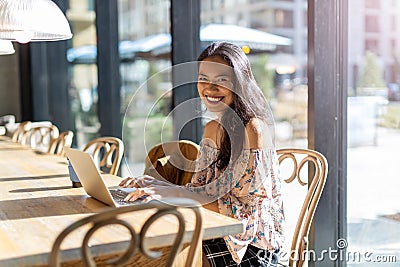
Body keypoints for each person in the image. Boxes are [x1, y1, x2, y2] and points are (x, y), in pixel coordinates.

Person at [119, 42, 285, 266]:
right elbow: (201, 190)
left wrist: (171, 195)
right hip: (215, 230)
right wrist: (157, 186)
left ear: (240, 83)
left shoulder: (253, 129)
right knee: (151, 250)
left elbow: (245, 212)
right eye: (203, 78)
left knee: (161, 257)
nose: (209, 88)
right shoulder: (212, 130)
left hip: (253, 248)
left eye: (222, 80)